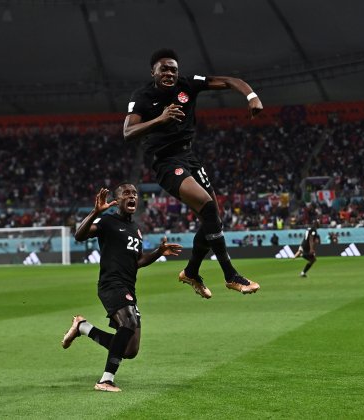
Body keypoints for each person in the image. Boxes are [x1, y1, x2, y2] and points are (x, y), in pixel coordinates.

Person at [123, 48, 262, 298]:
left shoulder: (188, 85)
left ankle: (191, 272)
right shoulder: (142, 96)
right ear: (153, 72)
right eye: (164, 69)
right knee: (208, 208)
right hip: (165, 162)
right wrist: (160, 119)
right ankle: (230, 275)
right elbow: (128, 132)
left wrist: (251, 96)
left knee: (213, 221)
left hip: (190, 158)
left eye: (173, 69)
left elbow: (230, 81)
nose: (169, 73)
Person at [61, 183, 182, 392]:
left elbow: (138, 261)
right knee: (129, 321)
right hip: (111, 283)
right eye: (126, 193)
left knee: (130, 348)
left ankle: (83, 327)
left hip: (128, 287)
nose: (132, 196)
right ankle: (105, 380)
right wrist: (95, 211)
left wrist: (159, 252)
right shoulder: (107, 221)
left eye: (134, 193)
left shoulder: (135, 229)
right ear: (117, 200)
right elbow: (79, 236)